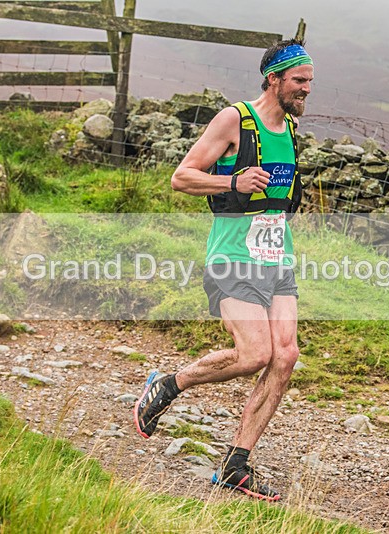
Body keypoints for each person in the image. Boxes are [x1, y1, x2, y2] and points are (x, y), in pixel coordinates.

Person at [133, 38, 313, 502]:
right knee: (254, 353)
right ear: (273, 79)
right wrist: (232, 180)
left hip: (278, 259)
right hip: (232, 258)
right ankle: (169, 385)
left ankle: (236, 465)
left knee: (285, 357)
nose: (307, 90)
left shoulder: (290, 128)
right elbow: (182, 176)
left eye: (310, 81)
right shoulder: (235, 120)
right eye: (299, 81)